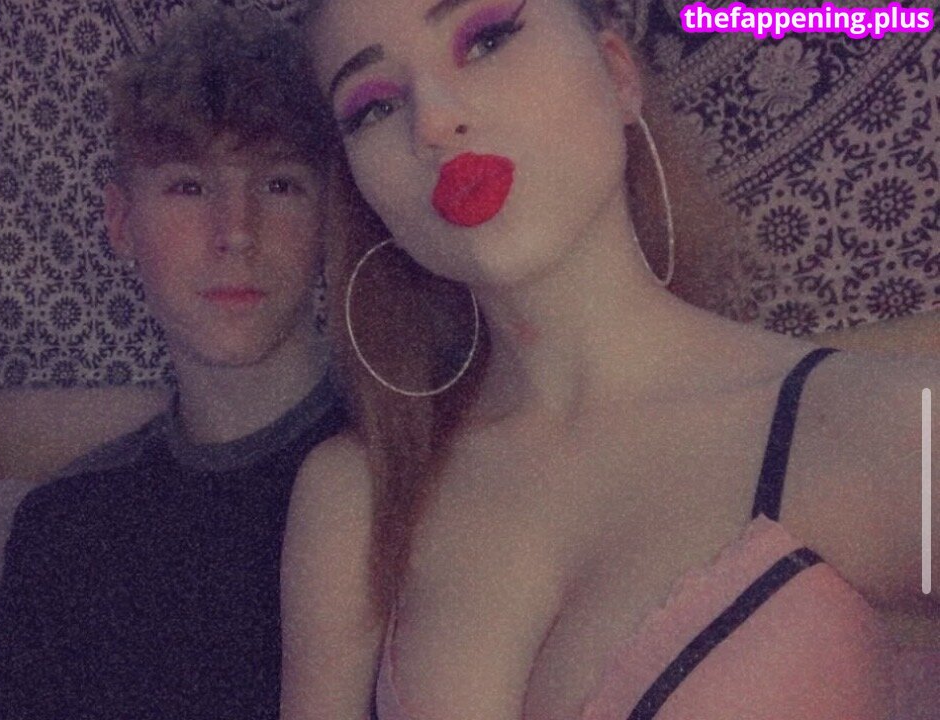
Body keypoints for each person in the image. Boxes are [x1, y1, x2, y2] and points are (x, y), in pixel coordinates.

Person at [280, 0, 939, 718]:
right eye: (373, 107)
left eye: (487, 39)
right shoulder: (358, 497)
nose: (432, 121)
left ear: (619, 75)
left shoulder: (891, 426)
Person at [0, 5, 345, 719]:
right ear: (121, 222)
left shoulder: (416, 462)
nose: (236, 233)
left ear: (331, 215)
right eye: (188, 186)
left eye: (279, 184)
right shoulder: (64, 530)